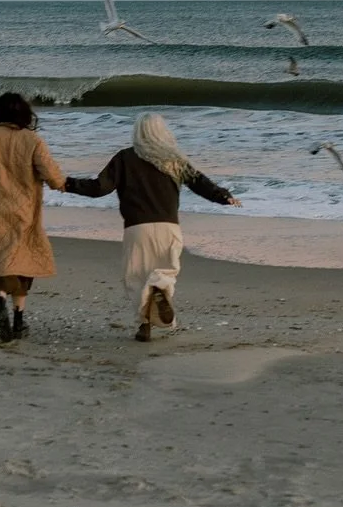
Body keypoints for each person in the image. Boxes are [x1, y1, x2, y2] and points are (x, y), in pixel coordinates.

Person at [63, 113, 240, 342]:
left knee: (136, 278)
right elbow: (200, 184)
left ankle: (144, 326)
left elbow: (99, 188)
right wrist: (224, 197)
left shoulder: (125, 158)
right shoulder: (174, 159)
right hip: (168, 227)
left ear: (137, 132)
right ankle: (159, 287)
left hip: (137, 229)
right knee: (166, 271)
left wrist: (67, 183)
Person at [0, 92, 67, 342]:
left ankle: (0, 298)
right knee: (22, 259)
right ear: (25, 114)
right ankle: (18, 319)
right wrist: (65, 184)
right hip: (24, 208)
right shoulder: (32, 140)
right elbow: (51, 174)